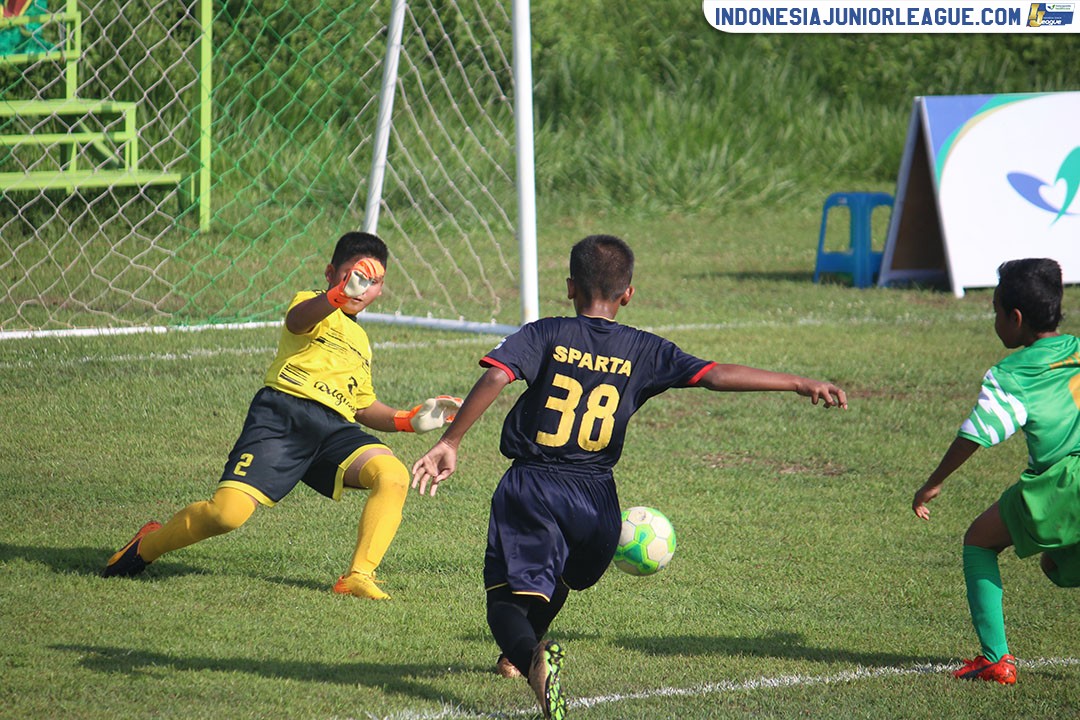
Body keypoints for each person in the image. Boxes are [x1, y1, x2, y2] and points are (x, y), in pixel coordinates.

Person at [410, 234, 847, 719]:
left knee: (502, 599)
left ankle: (531, 658)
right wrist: (798, 382)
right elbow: (715, 374)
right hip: (598, 503)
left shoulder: (546, 332)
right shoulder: (643, 349)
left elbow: (496, 375)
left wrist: (449, 442)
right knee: (559, 577)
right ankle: (515, 659)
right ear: (628, 294)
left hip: (535, 485)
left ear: (570, 287)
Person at [103, 231, 461, 600]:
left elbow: (362, 406)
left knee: (392, 473)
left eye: (374, 282)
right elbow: (297, 321)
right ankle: (148, 544)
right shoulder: (313, 303)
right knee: (226, 515)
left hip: (335, 430)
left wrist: (409, 419)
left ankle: (357, 576)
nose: (363, 288)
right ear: (330, 273)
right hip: (283, 417)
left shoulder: (362, 342)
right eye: (356, 276)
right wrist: (337, 296)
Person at [912, 257, 1080, 685]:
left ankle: (994, 660)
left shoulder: (1012, 375)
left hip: (1065, 484)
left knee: (979, 542)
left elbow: (977, 432)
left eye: (995, 312)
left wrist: (933, 483)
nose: (994, 321)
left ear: (1016, 318)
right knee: (1056, 567)